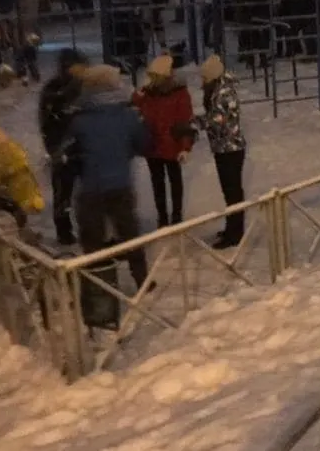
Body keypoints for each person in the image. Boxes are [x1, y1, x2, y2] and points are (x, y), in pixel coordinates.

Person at [63, 64, 152, 290]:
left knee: (93, 241)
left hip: (91, 188)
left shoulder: (78, 120)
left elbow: (68, 153)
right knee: (130, 233)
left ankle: (100, 286)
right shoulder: (128, 116)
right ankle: (142, 278)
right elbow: (143, 145)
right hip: (120, 184)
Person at [132, 54, 194, 227]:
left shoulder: (180, 93)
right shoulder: (149, 92)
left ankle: (176, 216)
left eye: (153, 75)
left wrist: (185, 147)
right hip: (153, 144)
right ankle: (163, 217)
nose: (150, 79)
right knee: (157, 182)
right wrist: (138, 94)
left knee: (174, 180)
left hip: (171, 144)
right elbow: (134, 103)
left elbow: (184, 122)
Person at [198, 54, 248, 250]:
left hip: (231, 148)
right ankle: (232, 228)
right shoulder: (217, 90)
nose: (202, 81)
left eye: (204, 77)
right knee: (230, 192)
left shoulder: (224, 93)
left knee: (233, 191)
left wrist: (194, 124)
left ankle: (235, 233)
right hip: (223, 147)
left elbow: (218, 119)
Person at [38, 48, 87, 245]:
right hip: (63, 148)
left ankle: (87, 227)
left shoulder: (84, 87)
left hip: (82, 147)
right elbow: (47, 121)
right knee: (63, 192)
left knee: (86, 192)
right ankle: (64, 230)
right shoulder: (56, 90)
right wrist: (54, 148)